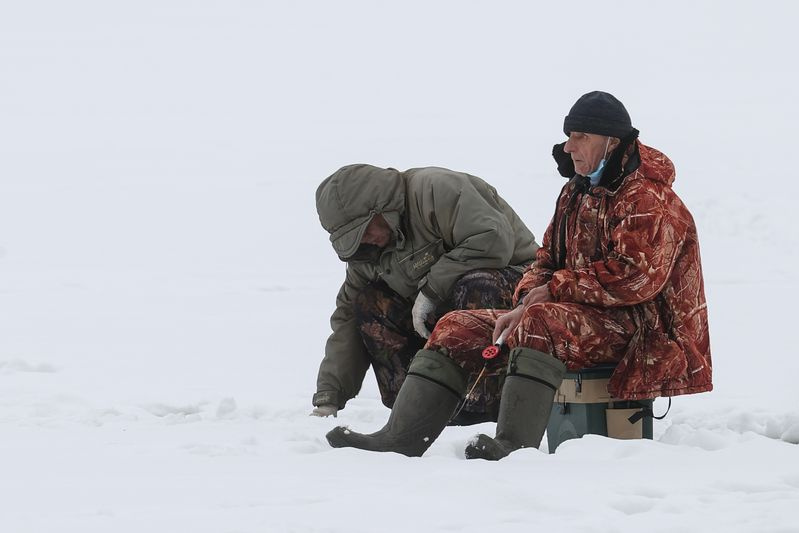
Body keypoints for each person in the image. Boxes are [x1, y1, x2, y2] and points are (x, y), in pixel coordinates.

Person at [325, 91, 713, 459]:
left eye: (581, 136)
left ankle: (512, 446)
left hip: (644, 332)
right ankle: (399, 440)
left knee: (542, 321)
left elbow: (635, 278)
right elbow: (544, 261)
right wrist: (526, 298)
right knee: (456, 326)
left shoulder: (648, 197)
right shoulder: (575, 192)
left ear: (611, 141)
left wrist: (551, 292)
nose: (569, 147)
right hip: (579, 318)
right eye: (568, 136)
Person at [311, 164, 539, 422]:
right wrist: (329, 395)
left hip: (521, 290)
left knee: (475, 285)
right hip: (444, 312)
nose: (364, 240)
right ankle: (415, 411)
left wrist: (431, 291)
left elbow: (492, 240)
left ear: (381, 208)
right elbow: (347, 316)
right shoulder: (367, 252)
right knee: (370, 301)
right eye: (352, 238)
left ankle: (490, 405)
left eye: (363, 230)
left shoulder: (436, 190)